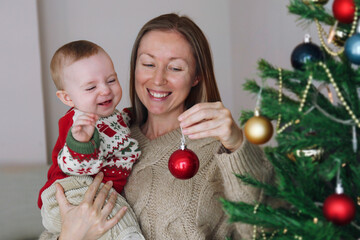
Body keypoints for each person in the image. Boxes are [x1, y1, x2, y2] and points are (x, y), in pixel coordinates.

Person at [39, 14, 275, 240]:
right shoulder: (103, 135)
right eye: (149, 64)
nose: (158, 79)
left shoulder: (221, 150)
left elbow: (266, 228)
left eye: (175, 68)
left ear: (196, 77)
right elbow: (54, 221)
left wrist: (237, 146)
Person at [38, 40, 144, 240]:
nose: (105, 90)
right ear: (67, 98)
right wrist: (82, 141)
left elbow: (123, 122)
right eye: (91, 87)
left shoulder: (113, 116)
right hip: (71, 192)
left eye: (111, 80)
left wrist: (141, 112)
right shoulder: (77, 124)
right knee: (120, 218)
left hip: (90, 192)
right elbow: (73, 165)